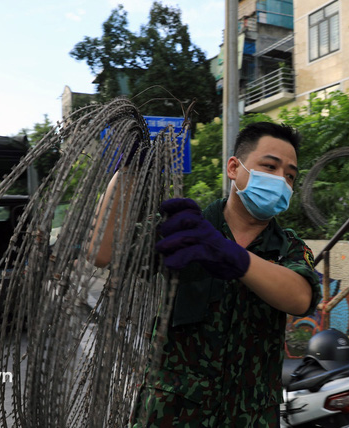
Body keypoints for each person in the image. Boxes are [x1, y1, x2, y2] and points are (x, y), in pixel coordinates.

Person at [91, 122, 321, 427]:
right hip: (170, 413)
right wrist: (128, 174)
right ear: (233, 168)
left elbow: (300, 297)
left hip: (249, 417)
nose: (281, 181)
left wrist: (233, 257)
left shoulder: (287, 246)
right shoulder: (185, 228)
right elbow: (102, 253)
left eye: (290, 175)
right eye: (269, 166)